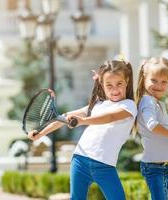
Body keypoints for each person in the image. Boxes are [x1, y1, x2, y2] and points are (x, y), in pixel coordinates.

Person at [28, 59, 137, 200]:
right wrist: (41, 133)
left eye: (119, 84)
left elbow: (110, 117)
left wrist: (83, 121)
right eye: (109, 85)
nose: (114, 89)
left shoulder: (129, 105)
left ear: (127, 81)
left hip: (104, 165)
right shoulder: (97, 105)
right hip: (80, 159)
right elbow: (65, 117)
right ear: (101, 85)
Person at [135, 57, 168, 200]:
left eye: (164, 82)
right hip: (154, 167)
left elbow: (162, 132)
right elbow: (152, 125)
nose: (159, 85)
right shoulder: (147, 101)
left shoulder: (159, 104)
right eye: (154, 80)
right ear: (144, 77)